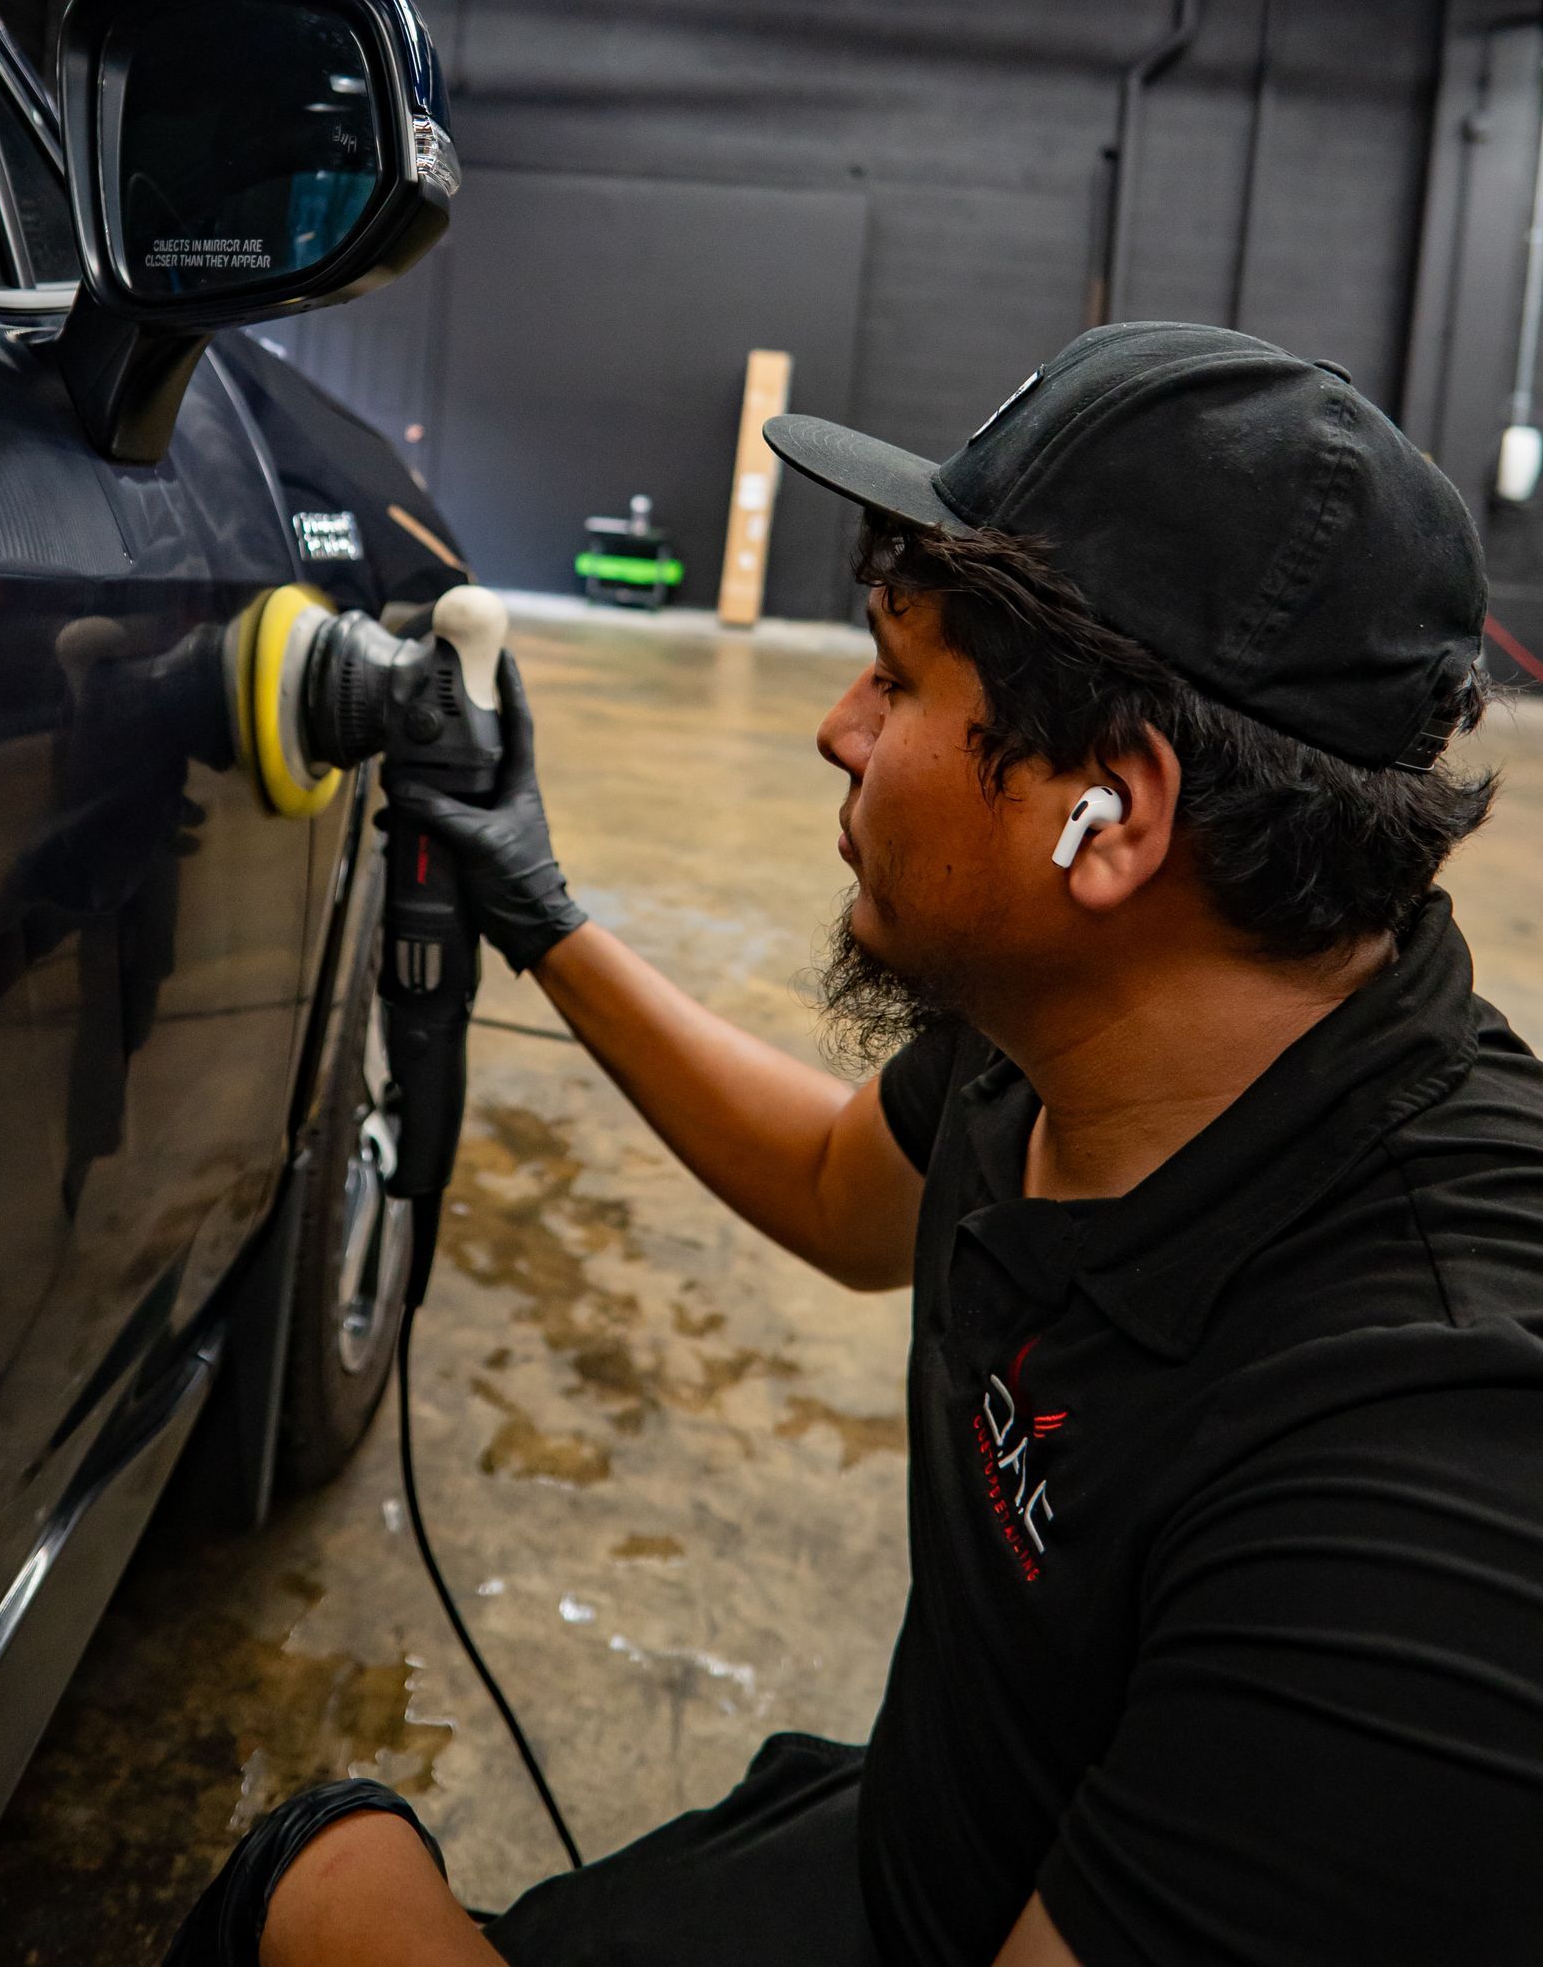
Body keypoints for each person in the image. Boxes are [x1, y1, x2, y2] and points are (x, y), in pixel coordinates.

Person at [170, 322, 1543, 1967]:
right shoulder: (1104, 1012)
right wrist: (538, 915)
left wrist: (353, 1916)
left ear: (1105, 811)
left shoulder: (1426, 1491)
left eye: (896, 676)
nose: (836, 725)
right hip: (912, 1832)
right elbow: (842, 1192)